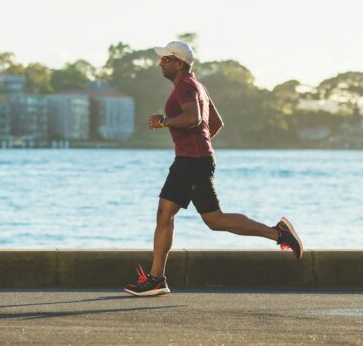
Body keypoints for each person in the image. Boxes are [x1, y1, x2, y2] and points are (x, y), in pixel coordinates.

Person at [124, 41, 303, 297]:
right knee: (165, 214)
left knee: (214, 220)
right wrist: (198, 144)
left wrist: (164, 122)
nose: (160, 63)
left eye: (165, 59)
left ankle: (278, 233)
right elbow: (216, 123)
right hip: (187, 161)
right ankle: (156, 279)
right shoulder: (197, 86)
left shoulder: (186, 86)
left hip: (193, 162)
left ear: (178, 62)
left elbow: (195, 119)